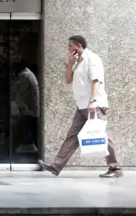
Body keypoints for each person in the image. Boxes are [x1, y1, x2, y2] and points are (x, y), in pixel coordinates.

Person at [39, 35, 122, 178]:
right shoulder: (78, 61)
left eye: (70, 46)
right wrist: (70, 63)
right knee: (72, 136)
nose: (68, 49)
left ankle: (115, 168)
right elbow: (68, 80)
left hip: (94, 104)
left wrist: (92, 101)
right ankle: (56, 166)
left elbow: (96, 81)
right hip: (82, 105)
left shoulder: (92, 59)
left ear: (78, 45)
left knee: (104, 136)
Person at [12, 34, 40, 154]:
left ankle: (27, 148)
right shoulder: (27, 73)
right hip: (30, 110)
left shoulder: (25, 75)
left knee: (26, 129)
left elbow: (19, 94)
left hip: (29, 111)